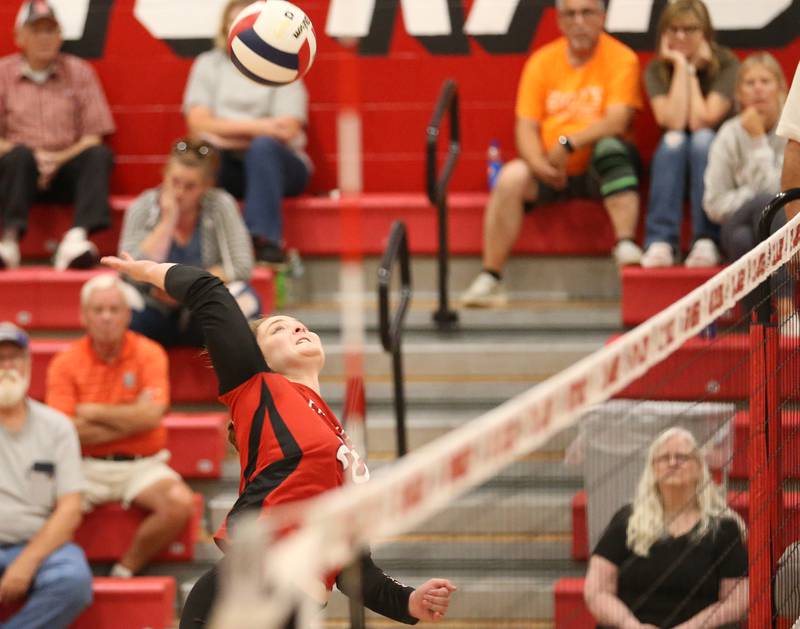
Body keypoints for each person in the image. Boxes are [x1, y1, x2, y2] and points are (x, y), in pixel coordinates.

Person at [100, 254, 457, 628]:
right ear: (258, 358)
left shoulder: (342, 440)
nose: (298, 329)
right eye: (279, 330)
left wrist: (411, 601)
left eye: (300, 325)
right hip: (249, 588)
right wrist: (144, 271)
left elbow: (354, 568)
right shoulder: (255, 387)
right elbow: (209, 291)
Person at [461, 0, 643, 308]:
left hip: (599, 170)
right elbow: (526, 126)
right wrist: (539, 164)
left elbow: (618, 120)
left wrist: (569, 143)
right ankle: (490, 276)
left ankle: (625, 245)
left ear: (602, 17)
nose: (579, 21)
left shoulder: (621, 58)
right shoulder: (542, 61)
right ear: (559, 21)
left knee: (611, 148)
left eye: (587, 13)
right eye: (570, 14)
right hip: (552, 168)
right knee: (511, 177)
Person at [45, 274, 195, 578]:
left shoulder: (150, 353)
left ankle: (124, 571)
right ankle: (54, 575)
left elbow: (152, 417)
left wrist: (91, 411)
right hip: (82, 464)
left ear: (128, 314)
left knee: (180, 503)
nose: (106, 318)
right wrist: (132, 418)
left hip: (141, 465)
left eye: (114, 310)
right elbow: (62, 429)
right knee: (32, 506)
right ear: (84, 316)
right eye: (98, 310)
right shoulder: (64, 362)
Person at [183, 0, 311, 264]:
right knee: (200, 153)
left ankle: (264, 242)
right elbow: (198, 124)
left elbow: (286, 129)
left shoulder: (284, 63)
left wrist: (225, 130)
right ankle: (196, 250)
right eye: (233, 21)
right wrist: (263, 126)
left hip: (281, 165)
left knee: (263, 148)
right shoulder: (209, 64)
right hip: (226, 162)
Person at [584, 427, 747, 628]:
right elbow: (596, 591)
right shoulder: (626, 521)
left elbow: (737, 600)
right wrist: (632, 626)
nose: (672, 463)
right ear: (653, 468)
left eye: (682, 457)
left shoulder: (724, 527)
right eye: (664, 458)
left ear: (699, 468)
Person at [0, 1, 115, 271]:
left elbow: (93, 136)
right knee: (19, 156)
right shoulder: (2, 74)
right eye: (36, 30)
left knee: (99, 155)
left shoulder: (79, 72)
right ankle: (8, 239)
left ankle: (77, 238)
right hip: (18, 171)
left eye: (50, 30)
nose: (44, 38)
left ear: (60, 36)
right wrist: (32, 156)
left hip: (66, 168)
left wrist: (57, 158)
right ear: (20, 37)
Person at [118, 139, 259, 347]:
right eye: (174, 182)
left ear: (206, 186)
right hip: (154, 306)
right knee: (115, 299)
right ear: (164, 175)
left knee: (246, 300)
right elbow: (127, 269)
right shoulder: (143, 207)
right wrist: (167, 221)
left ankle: (238, 377)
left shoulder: (221, 205)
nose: (180, 192)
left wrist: (187, 288)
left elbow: (241, 266)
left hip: (201, 304)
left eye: (190, 186)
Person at [0, 321, 93, 628]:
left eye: (14, 358)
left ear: (28, 364)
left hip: (37, 544)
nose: (7, 366)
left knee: (73, 581)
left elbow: (69, 508)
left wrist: (27, 561)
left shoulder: (56, 426)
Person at [640, 0, 739, 268]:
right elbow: (672, 121)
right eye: (673, 29)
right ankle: (661, 241)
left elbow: (701, 121)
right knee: (674, 141)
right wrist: (681, 66)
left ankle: (706, 239)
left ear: (705, 32)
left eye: (690, 29)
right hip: (674, 160)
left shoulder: (727, 63)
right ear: (663, 33)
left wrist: (692, 72)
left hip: (718, 160)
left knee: (702, 140)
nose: (680, 36)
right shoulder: (656, 69)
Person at [703, 53, 791, 316]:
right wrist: (754, 199)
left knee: (747, 236)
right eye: (749, 83)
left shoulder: (791, 134)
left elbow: (784, 197)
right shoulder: (729, 134)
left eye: (765, 80)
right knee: (763, 203)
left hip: (789, 228)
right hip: (734, 222)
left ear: (781, 89)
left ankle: (759, 321)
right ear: (739, 94)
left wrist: (757, 144)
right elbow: (714, 204)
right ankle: (785, 308)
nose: (758, 88)